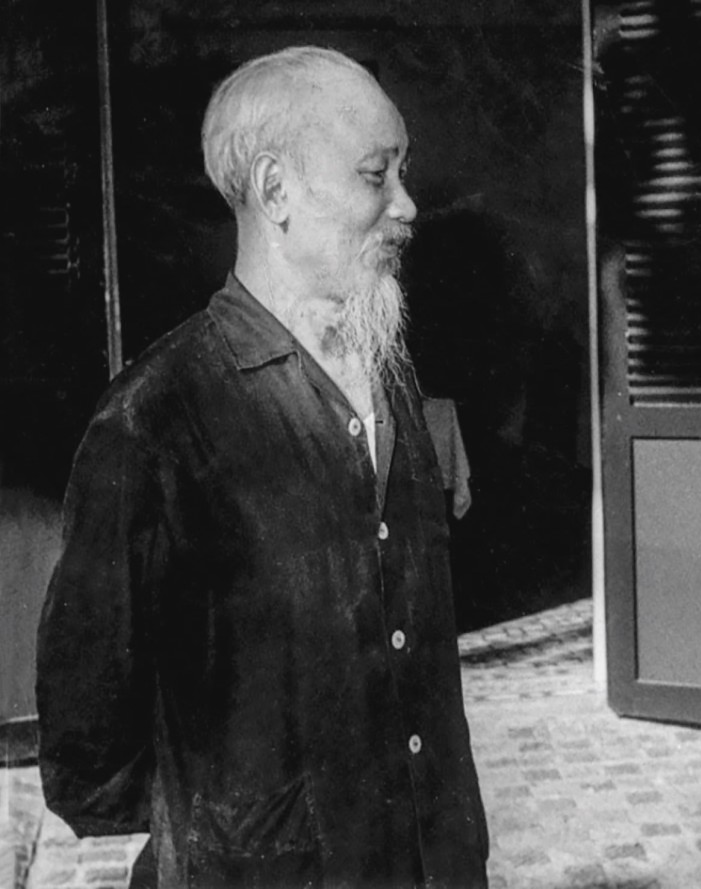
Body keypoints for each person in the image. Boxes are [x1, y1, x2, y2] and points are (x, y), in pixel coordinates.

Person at [36, 46, 489, 888]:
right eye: (376, 175)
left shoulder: (391, 374)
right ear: (275, 191)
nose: (407, 205)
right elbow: (86, 749)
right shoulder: (152, 420)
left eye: (404, 172)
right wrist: (237, 822)